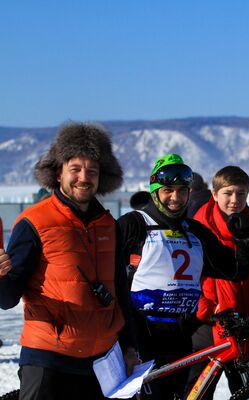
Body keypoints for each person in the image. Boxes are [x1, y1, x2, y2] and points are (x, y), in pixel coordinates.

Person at [0, 123, 139, 400]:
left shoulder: (109, 225)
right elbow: (7, 299)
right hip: (49, 360)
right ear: (59, 171)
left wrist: (129, 347)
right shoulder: (34, 222)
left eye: (92, 171)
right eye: (75, 168)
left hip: (101, 363)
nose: (83, 177)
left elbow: (120, 293)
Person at [117, 154, 249, 400]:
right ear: (154, 191)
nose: (175, 197)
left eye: (182, 191)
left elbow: (235, 270)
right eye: (168, 190)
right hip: (142, 338)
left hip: (182, 338)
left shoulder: (194, 231)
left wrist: (246, 241)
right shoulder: (134, 224)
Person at [186, 165, 249, 398]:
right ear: (215, 195)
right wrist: (208, 310)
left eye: (241, 193)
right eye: (228, 193)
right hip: (209, 328)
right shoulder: (198, 232)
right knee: (198, 394)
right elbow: (189, 279)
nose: (234, 200)